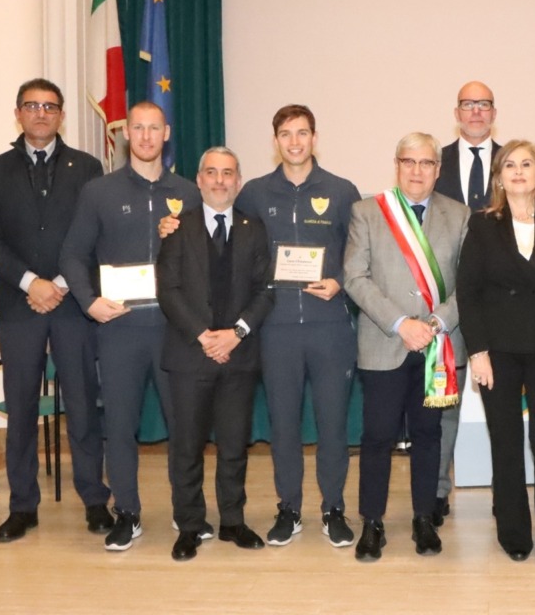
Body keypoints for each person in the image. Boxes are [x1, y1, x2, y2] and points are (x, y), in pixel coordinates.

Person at [59, 101, 200, 551]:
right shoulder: (99, 192)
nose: (144, 136)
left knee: (184, 426)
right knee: (119, 426)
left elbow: (206, 263)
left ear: (166, 133)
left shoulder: (189, 192)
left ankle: (187, 513)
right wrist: (88, 301)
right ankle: (129, 514)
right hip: (119, 330)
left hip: (175, 331)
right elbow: (72, 256)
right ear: (126, 135)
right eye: (136, 128)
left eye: (153, 128)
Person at [0, 78, 110, 543]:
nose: (41, 113)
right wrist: (32, 282)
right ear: (18, 113)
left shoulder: (88, 167)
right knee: (22, 408)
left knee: (82, 407)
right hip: (18, 305)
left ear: (61, 115)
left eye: (50, 106)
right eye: (32, 106)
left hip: (73, 304)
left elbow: (96, 235)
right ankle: (21, 507)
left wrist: (59, 283)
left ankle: (95, 500)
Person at [234, 105, 362, 548]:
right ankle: (289, 508)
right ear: (275, 141)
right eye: (285, 134)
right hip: (276, 328)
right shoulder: (252, 194)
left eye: (302, 133)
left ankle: (333, 509)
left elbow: (358, 256)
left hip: (329, 327)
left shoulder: (343, 191)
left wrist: (339, 283)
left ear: (314, 138)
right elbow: (240, 258)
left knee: (332, 425)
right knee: (284, 425)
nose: (294, 142)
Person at [456, 140, 535, 570]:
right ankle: (513, 532)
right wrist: (477, 352)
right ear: (498, 177)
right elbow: (468, 293)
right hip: (499, 352)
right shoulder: (482, 225)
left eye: (526, 164)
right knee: (507, 444)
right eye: (509, 165)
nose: (517, 171)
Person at [343, 132, 470, 561]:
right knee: (376, 437)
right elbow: (355, 278)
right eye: (409, 162)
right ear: (396, 165)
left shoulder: (460, 215)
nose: (417, 171)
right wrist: (401, 324)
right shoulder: (367, 212)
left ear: (438, 169)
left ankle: (422, 518)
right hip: (385, 343)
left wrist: (434, 323)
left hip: (438, 346)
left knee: (428, 435)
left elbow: (470, 285)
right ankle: (372, 523)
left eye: (426, 163)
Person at [156, 147, 274, 562]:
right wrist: (205, 336)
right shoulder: (176, 228)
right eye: (211, 172)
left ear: (238, 181)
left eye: (228, 173)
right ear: (199, 180)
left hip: (238, 356)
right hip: (191, 354)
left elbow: (265, 290)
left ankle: (232, 521)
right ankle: (189, 525)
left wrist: (236, 334)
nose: (220, 180)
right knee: (186, 447)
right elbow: (167, 290)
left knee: (233, 446)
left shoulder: (254, 229)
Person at [431, 80, 502, 525]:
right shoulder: (436, 162)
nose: (475, 112)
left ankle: (507, 492)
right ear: (456, 112)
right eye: (468, 105)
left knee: (509, 407)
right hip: (451, 303)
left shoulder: (515, 160)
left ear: (494, 112)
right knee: (445, 406)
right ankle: (438, 490)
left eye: (483, 105)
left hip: (507, 301)